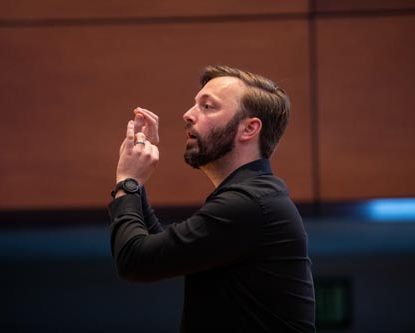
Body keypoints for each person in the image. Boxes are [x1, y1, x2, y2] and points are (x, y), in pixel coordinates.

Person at [108, 65, 315, 332]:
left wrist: (128, 181)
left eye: (207, 107)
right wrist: (134, 183)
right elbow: (159, 252)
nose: (188, 114)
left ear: (249, 129)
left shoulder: (250, 204)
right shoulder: (255, 198)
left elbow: (134, 261)